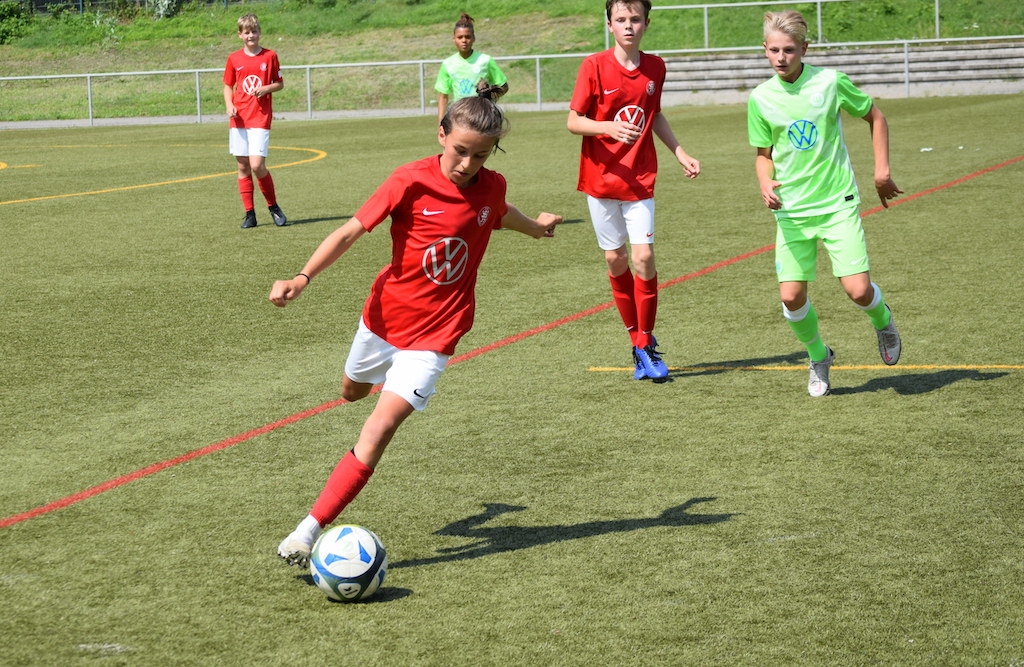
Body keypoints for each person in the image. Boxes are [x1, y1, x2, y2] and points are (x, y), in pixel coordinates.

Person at [270, 96, 561, 567]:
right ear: (441, 134)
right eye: (460, 150)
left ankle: (306, 531)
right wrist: (302, 278)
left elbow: (498, 211)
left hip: (437, 335)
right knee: (351, 392)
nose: (467, 164)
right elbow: (348, 232)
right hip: (384, 320)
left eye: (481, 155)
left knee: (379, 427)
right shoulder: (409, 180)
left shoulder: (492, 185)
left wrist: (535, 228)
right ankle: (378, 382)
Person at [747, 10, 904, 397]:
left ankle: (882, 320)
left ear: (804, 49)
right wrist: (765, 181)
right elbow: (763, 154)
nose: (781, 57)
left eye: (789, 50)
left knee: (858, 291)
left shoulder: (831, 82)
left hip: (837, 203)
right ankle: (819, 356)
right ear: (765, 50)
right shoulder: (760, 98)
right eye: (774, 50)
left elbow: (876, 117)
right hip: (792, 211)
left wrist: (881, 172)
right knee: (790, 297)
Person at [567, 0, 701, 383]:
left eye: (636, 19)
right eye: (621, 19)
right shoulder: (593, 66)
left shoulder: (656, 67)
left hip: (640, 179)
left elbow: (654, 113)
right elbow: (574, 121)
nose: (629, 25)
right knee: (616, 259)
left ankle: (645, 343)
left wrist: (680, 152)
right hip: (600, 180)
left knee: (643, 257)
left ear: (646, 23)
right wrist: (607, 128)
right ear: (609, 24)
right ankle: (635, 340)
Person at [223, 13, 287, 229]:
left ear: (259, 32)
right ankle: (250, 214)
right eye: (247, 32)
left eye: (254, 31)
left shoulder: (270, 56)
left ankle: (273, 207)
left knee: (257, 165)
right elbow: (228, 85)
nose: (251, 35)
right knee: (243, 166)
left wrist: (267, 88)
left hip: (260, 117)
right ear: (240, 35)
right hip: (239, 118)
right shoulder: (234, 58)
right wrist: (229, 105)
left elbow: (279, 83)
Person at [434, 12, 509, 125]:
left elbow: (504, 86)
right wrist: (441, 123)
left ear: (474, 38)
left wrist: (488, 99)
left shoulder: (485, 60)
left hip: (482, 116)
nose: (464, 40)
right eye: (460, 37)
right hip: (459, 116)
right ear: (454, 39)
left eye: (467, 37)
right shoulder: (448, 64)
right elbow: (443, 96)